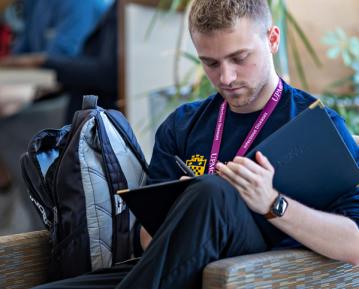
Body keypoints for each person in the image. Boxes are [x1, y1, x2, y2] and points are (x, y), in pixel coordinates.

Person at [33, 0, 359, 288]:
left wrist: (273, 203)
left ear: (272, 40)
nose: (226, 78)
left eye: (239, 58)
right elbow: (147, 241)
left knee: (212, 192)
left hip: (253, 271)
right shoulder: (182, 124)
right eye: (211, 63)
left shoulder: (316, 126)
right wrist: (182, 210)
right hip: (173, 268)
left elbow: (355, 244)